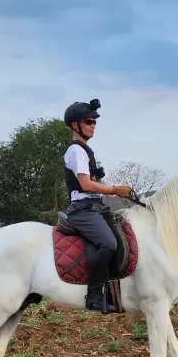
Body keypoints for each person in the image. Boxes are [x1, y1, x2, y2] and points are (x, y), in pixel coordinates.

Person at [62, 98, 133, 312]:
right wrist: (113, 189)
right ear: (75, 125)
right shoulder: (76, 151)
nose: (93, 126)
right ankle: (94, 296)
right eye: (88, 121)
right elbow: (85, 184)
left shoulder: (85, 150)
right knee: (109, 244)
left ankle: (115, 293)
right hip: (82, 210)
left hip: (95, 207)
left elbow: (92, 183)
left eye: (94, 122)